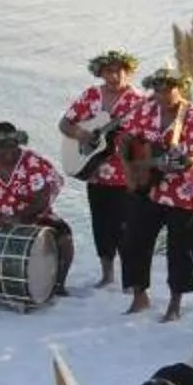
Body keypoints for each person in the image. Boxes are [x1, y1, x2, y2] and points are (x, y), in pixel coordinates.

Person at [116, 68, 193, 321]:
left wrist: (186, 160)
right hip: (149, 187)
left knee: (180, 249)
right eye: (157, 89)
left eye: (167, 89)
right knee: (133, 239)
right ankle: (140, 295)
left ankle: (175, 303)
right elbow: (126, 139)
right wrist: (133, 166)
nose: (161, 94)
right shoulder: (146, 109)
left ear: (178, 88)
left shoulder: (191, 115)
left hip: (183, 190)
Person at [60, 50, 148, 294]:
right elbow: (65, 123)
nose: (114, 75)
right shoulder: (91, 96)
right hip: (95, 172)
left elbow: (146, 135)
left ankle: (130, 280)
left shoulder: (138, 101)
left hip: (124, 175)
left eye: (119, 70)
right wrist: (84, 135)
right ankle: (107, 274)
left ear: (128, 72)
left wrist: (129, 141)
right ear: (100, 73)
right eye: (109, 71)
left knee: (126, 227)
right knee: (101, 225)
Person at [0, 120, 76, 289]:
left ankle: (58, 285)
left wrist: (19, 217)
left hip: (36, 217)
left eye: (12, 146)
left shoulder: (32, 162)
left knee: (65, 239)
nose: (8, 151)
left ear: (18, 144)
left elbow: (42, 198)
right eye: (2, 147)